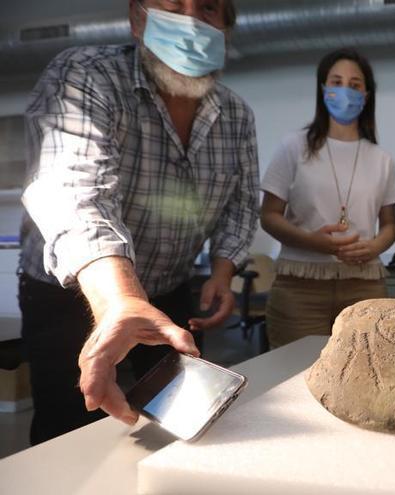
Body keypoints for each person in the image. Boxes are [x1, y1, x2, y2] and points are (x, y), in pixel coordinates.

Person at [19, 0, 258, 444]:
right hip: (72, 290)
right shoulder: (86, 75)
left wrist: (223, 273)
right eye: (171, 4)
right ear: (136, 17)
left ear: (225, 28)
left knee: (177, 417)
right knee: (72, 430)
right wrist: (119, 301)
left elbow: (241, 204)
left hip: (168, 289)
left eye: (207, 8)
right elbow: (73, 188)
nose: (188, 20)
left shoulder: (236, 116)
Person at [260, 48, 395, 348]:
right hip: (300, 287)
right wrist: (314, 242)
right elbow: (269, 215)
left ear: (367, 94)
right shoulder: (293, 147)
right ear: (323, 89)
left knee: (364, 375)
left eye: (354, 84)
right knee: (293, 378)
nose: (345, 90)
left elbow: (390, 225)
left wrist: (373, 246)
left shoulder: (381, 158)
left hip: (364, 286)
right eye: (336, 82)